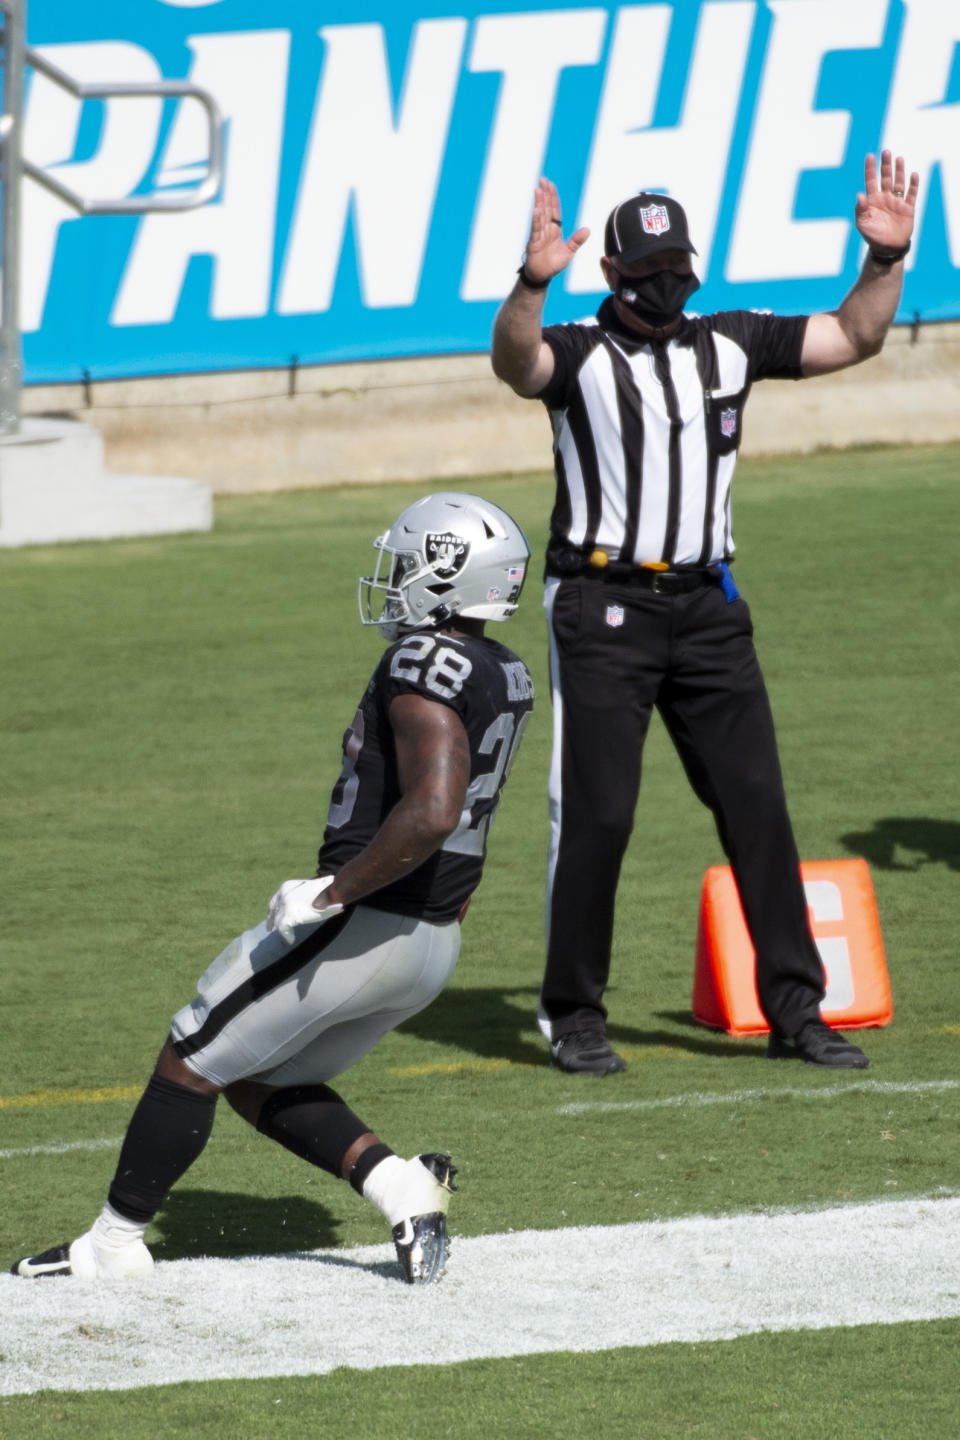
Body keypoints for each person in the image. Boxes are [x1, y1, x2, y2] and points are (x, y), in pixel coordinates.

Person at [11, 492, 534, 1285]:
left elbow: (432, 811)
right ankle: (402, 1188)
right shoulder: (506, 669)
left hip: (366, 923)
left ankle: (112, 1245)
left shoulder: (423, 661)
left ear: (449, 575)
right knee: (256, 1074)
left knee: (189, 1055)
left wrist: (330, 896)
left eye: (410, 564)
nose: (394, 579)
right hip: (432, 939)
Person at [490, 152, 918, 1075]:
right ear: (610, 273)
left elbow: (853, 337)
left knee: (758, 807)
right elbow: (512, 360)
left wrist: (883, 263)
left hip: (710, 607)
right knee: (598, 816)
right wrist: (530, 284)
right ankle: (574, 1015)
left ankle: (798, 1009)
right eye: (645, 274)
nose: (663, 287)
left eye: (677, 270)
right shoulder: (577, 352)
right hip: (603, 605)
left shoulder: (731, 341)